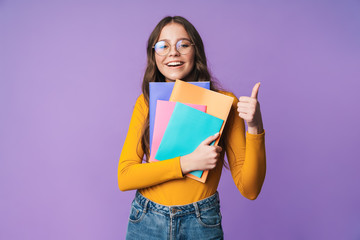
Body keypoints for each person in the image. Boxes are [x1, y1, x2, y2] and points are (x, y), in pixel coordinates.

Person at [118, 16, 266, 240]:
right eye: (163, 45)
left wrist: (254, 127)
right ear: (154, 55)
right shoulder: (146, 102)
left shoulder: (225, 103)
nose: (173, 52)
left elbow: (250, 189)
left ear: (196, 51)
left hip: (201, 222)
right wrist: (188, 163)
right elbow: (125, 177)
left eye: (183, 44)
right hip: (147, 219)